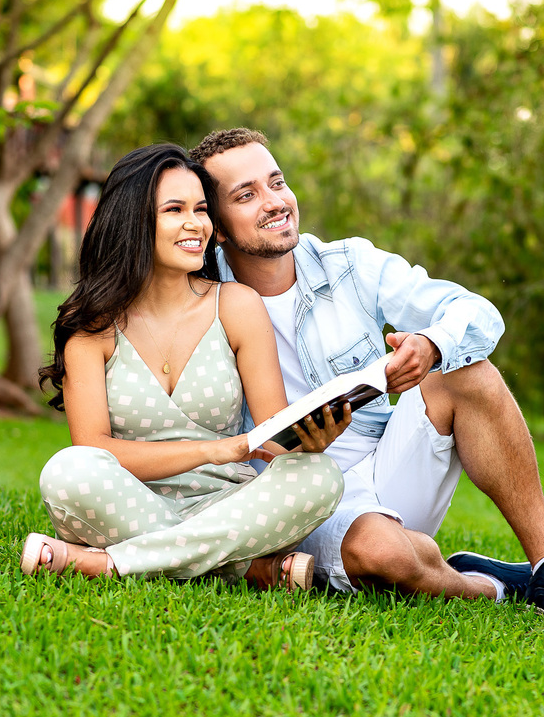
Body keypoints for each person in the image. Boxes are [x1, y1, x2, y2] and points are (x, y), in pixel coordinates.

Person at [189, 128, 544, 624]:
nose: (275, 202)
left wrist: (431, 345)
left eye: (277, 183)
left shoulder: (348, 264)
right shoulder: (197, 299)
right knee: (385, 556)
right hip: (296, 501)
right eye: (247, 195)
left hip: (390, 468)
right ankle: (491, 585)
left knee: (465, 367)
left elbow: (475, 311)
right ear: (215, 226)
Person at [21, 143, 349, 591]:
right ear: (135, 221)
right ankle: (242, 567)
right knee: (68, 470)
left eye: (201, 209)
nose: (195, 224)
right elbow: (95, 447)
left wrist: (308, 441)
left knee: (320, 476)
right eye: (175, 210)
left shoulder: (236, 306)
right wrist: (216, 449)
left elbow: (272, 439)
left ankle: (111, 563)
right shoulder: (92, 326)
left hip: (232, 505)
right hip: (130, 502)